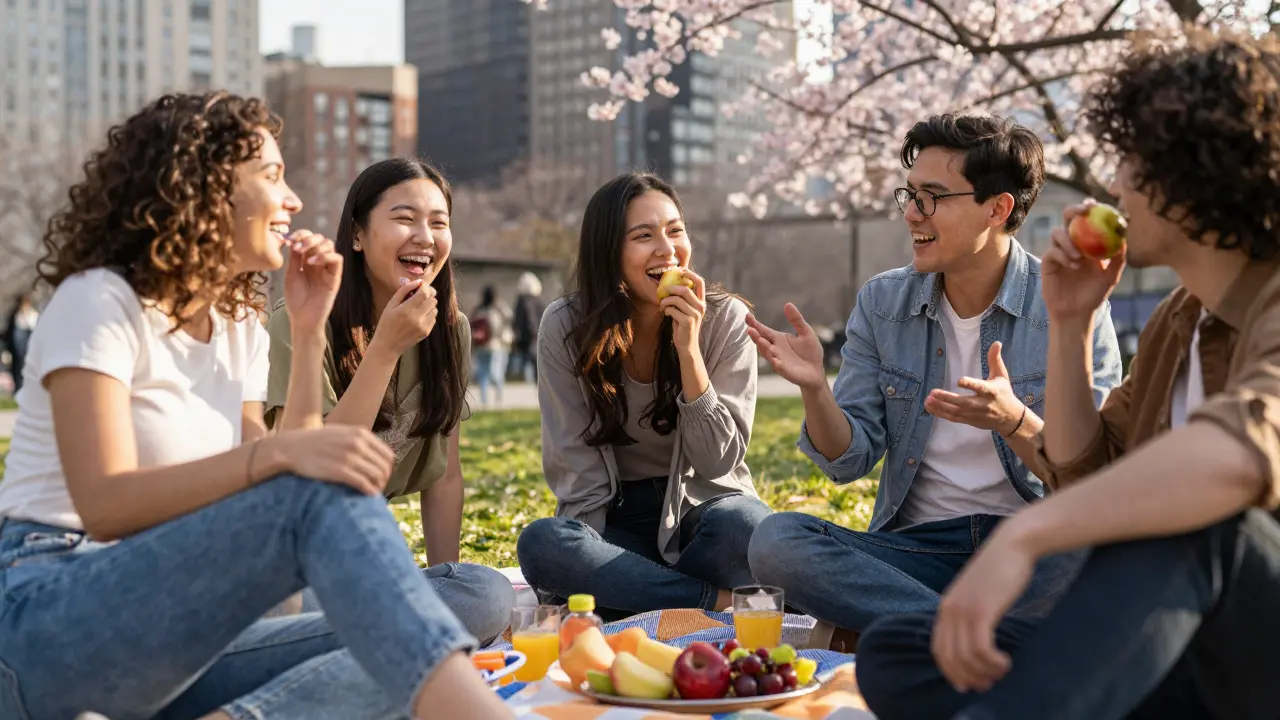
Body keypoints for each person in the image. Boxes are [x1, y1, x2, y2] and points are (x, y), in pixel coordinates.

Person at [0, 92, 512, 720]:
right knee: (401, 633)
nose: (294, 200)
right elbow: (105, 505)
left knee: (447, 617)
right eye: (272, 177)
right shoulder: (99, 300)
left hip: (184, 621)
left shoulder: (238, 320)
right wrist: (281, 452)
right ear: (204, 190)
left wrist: (306, 329)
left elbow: (289, 475)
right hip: (52, 605)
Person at [854, 30, 1280, 720]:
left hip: (1254, 644)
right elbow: (1089, 471)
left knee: (1204, 522)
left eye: (1133, 166)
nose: (1115, 186)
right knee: (903, 648)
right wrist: (1072, 322)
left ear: (1200, 174)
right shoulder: (1180, 319)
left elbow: (1237, 458)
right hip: (1170, 647)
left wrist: (1027, 535)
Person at [745, 114, 1123, 650]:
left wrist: (1015, 421)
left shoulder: (1069, 300)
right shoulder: (883, 302)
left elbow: (1096, 479)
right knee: (777, 541)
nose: (911, 215)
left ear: (998, 208)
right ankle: (984, 640)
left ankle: (912, 634)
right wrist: (814, 390)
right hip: (913, 555)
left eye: (931, 198)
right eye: (910, 195)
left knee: (1105, 552)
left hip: (1030, 552)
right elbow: (848, 459)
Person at [264, 158, 514, 643]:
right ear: (357, 234)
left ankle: (365, 636)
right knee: (296, 609)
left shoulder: (451, 330)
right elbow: (314, 467)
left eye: (438, 223)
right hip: (298, 560)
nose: (425, 236)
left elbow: (445, 477)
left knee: (487, 595)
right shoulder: (302, 320)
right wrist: (385, 348)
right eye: (405, 218)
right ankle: (371, 636)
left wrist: (449, 580)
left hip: (369, 567)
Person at [516, 173, 771, 619]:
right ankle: (715, 602)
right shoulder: (565, 326)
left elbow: (718, 463)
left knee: (752, 529)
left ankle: (639, 592)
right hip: (613, 520)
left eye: (675, 230)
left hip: (702, 511)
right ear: (609, 252)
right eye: (643, 236)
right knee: (545, 544)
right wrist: (590, 559)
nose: (667, 249)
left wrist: (688, 350)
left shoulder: (725, 319)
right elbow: (575, 469)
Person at [470, 285, 513, 407]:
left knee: (483, 373)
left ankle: (485, 400)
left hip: (481, 346)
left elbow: (470, 324)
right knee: (496, 372)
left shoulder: (478, 310)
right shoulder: (499, 309)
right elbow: (508, 320)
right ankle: (499, 398)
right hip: (496, 345)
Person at [510, 271, 545, 383]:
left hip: (527, 337)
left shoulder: (521, 301)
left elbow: (518, 320)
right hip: (537, 335)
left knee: (529, 359)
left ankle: (528, 378)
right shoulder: (538, 301)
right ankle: (534, 380)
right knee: (535, 360)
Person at [4, 292, 39, 392]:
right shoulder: (15, 316)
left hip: (28, 349)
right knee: (17, 370)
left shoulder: (32, 314)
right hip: (16, 350)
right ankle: (18, 390)